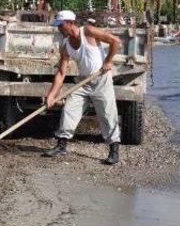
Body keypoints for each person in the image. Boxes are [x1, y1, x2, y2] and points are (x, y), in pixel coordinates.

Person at [43, 10, 122, 165]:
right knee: (69, 109)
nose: (58, 29)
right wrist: (52, 95)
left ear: (70, 23)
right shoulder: (65, 45)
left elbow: (115, 41)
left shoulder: (88, 31)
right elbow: (61, 72)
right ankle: (61, 145)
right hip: (83, 82)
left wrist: (108, 61)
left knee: (107, 113)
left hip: (101, 79)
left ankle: (114, 150)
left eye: (60, 25)